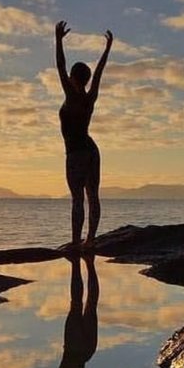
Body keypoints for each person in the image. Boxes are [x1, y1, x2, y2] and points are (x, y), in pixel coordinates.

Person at [55, 20, 112, 251]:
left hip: (77, 152)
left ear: (72, 78)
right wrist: (107, 49)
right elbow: (99, 74)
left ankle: (78, 242)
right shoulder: (90, 98)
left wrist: (58, 41)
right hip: (91, 149)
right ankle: (90, 240)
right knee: (93, 195)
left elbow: (60, 66)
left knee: (78, 198)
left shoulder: (72, 96)